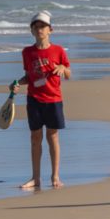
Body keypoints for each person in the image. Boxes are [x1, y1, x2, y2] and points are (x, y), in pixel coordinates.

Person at [11, 11, 70, 190]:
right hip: (34, 99)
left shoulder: (58, 50)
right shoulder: (27, 52)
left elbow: (68, 73)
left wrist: (62, 68)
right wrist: (17, 83)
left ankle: (55, 176)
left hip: (53, 99)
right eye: (36, 27)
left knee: (52, 136)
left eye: (43, 26)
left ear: (50, 30)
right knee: (35, 138)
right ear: (32, 31)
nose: (39, 30)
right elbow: (29, 76)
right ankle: (36, 178)